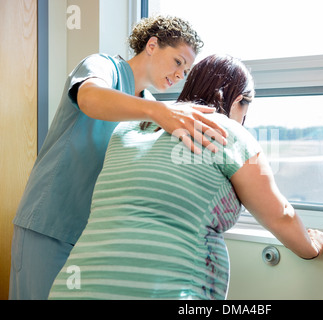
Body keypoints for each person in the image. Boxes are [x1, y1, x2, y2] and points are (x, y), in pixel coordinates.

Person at [48, 54, 323, 300]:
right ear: (239, 100)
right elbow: (279, 214)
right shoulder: (226, 131)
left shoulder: (130, 128)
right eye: (246, 107)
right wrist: (311, 247)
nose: (244, 118)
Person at [9, 15, 227, 300]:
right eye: (177, 62)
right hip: (50, 223)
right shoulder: (103, 67)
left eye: (185, 71)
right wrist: (159, 112)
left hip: (94, 238)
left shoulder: (151, 107)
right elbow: (90, 98)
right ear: (152, 45)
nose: (179, 75)